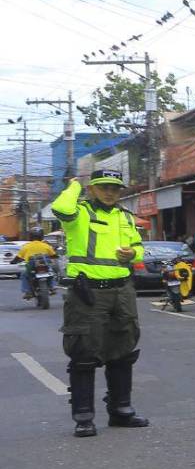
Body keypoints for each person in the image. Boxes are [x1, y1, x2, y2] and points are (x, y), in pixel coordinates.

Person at [49, 170, 149, 438]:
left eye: (115, 188)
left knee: (124, 349)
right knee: (84, 351)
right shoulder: (79, 214)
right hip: (88, 293)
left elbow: (139, 247)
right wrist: (73, 187)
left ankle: (121, 410)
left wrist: (133, 254)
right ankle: (84, 416)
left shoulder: (125, 217)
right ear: (91, 189)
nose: (109, 192)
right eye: (103, 187)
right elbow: (60, 208)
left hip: (122, 290)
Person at [13, 228, 58, 299]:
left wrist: (13, 262)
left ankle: (27, 291)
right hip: (45, 264)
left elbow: (18, 257)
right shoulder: (46, 245)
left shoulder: (26, 246)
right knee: (51, 273)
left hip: (31, 266)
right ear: (41, 236)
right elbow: (54, 255)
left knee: (24, 275)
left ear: (30, 236)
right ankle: (52, 287)